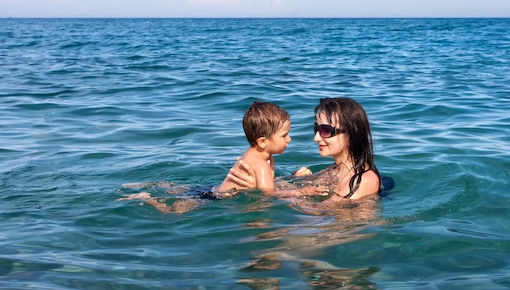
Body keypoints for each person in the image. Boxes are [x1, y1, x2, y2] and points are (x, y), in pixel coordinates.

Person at [119, 101, 326, 213]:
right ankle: (146, 199)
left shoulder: (265, 156)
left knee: (182, 190)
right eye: (284, 135)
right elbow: (269, 193)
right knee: (173, 212)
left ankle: (153, 184)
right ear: (263, 141)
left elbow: (266, 185)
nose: (289, 139)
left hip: (212, 189)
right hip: (214, 198)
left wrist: (294, 178)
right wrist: (302, 191)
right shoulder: (260, 163)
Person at [228, 97, 383, 201]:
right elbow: (282, 190)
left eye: (326, 130)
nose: (316, 137)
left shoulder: (363, 181)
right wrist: (255, 185)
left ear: (352, 135)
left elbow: (321, 214)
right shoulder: (332, 171)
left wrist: (264, 194)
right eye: (316, 128)